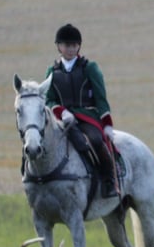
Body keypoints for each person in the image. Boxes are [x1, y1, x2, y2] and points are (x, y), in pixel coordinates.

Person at [45, 23, 118, 198]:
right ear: (59, 47)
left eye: (74, 45)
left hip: (87, 117)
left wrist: (107, 124)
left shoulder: (89, 68)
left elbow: (101, 98)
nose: (71, 49)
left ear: (79, 46)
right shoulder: (52, 72)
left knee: (94, 140)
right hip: (62, 119)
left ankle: (109, 181)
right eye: (66, 45)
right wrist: (61, 112)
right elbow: (49, 98)